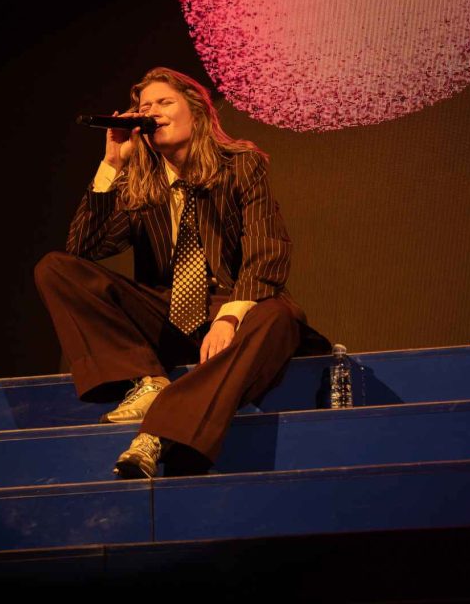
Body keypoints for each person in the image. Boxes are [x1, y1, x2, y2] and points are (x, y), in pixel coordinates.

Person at [34, 66, 331, 479]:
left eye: (164, 102)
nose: (151, 111)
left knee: (278, 316)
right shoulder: (140, 181)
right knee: (55, 268)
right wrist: (110, 166)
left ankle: (159, 431)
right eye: (144, 106)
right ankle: (146, 379)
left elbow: (268, 251)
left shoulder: (240, 165)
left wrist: (229, 316)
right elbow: (82, 252)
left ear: (197, 112)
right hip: (166, 315)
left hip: (229, 306)